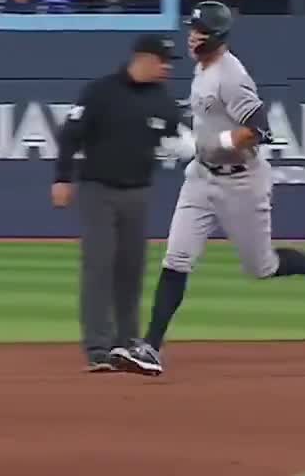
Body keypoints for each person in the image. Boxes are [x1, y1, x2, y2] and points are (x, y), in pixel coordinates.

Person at [109, 1, 305, 377]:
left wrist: (215, 141)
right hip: (202, 178)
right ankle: (150, 347)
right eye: (192, 29)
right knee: (176, 258)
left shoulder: (231, 75)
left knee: (261, 266)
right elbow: (207, 115)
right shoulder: (202, 69)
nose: (192, 37)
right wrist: (187, 136)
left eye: (200, 32)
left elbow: (259, 131)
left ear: (218, 37)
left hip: (242, 181)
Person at [52, 34, 191, 372]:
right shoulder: (101, 92)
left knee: (131, 270)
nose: (167, 68)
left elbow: (180, 137)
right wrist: (62, 177)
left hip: (138, 193)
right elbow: (70, 135)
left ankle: (127, 344)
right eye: (162, 61)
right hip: (98, 190)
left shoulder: (162, 101)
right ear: (143, 58)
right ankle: (98, 348)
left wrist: (187, 144)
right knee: (99, 266)